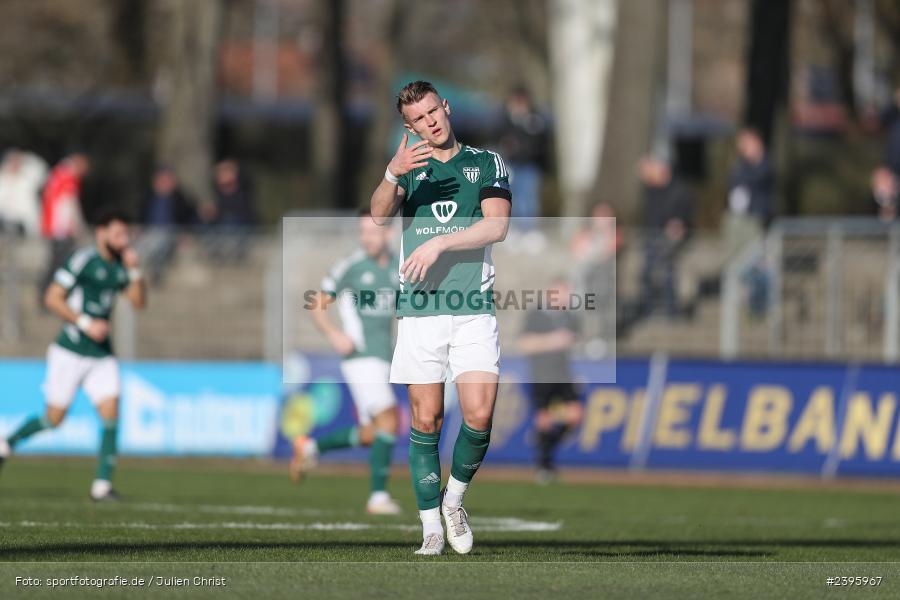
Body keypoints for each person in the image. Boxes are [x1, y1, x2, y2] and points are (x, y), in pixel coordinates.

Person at [370, 80, 511, 555]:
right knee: (425, 420)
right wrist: (391, 175)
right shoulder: (410, 167)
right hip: (421, 310)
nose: (430, 121)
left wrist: (440, 241)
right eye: (419, 119)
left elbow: (498, 225)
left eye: (434, 111)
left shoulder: (486, 163)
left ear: (446, 107)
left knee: (480, 414)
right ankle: (431, 525)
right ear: (408, 127)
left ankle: (454, 500)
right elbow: (377, 216)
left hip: (473, 308)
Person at [0, 208, 147, 501]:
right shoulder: (83, 261)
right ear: (101, 232)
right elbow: (52, 297)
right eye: (117, 234)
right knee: (54, 418)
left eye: (125, 235)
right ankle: (7, 442)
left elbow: (138, 302)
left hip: (101, 355)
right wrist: (84, 323)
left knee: (111, 412)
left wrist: (135, 271)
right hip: (70, 350)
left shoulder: (122, 266)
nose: (122, 240)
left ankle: (102, 486)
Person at [291, 208, 402, 515]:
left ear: (389, 233)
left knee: (371, 433)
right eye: (363, 231)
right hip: (360, 357)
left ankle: (310, 448)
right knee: (390, 419)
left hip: (383, 356)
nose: (367, 238)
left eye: (373, 231)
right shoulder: (351, 266)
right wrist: (333, 334)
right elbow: (317, 304)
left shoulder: (399, 266)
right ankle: (377, 498)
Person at [518, 277, 583, 483]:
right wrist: (552, 340)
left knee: (575, 415)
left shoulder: (569, 317)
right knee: (544, 419)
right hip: (542, 376)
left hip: (563, 375)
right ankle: (544, 465)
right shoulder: (536, 315)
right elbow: (525, 344)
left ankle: (541, 441)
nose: (565, 298)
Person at [638, 155, 692, 319]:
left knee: (668, 275)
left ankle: (671, 312)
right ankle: (649, 310)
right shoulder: (650, 191)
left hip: (670, 239)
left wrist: (678, 224)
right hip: (651, 237)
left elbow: (683, 214)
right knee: (647, 275)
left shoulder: (678, 190)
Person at [38, 152, 90, 304]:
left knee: (55, 264)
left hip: (53, 228)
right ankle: (50, 298)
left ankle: (48, 297)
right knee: (58, 265)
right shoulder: (68, 177)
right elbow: (68, 205)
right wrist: (78, 227)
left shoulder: (58, 173)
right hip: (60, 229)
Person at [498, 85, 548, 234]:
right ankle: (513, 231)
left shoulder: (535, 119)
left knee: (529, 199)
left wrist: (524, 121)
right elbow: (498, 137)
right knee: (512, 199)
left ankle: (530, 231)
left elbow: (540, 141)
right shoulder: (505, 118)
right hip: (511, 165)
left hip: (530, 165)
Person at [138, 165, 196, 284]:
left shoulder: (181, 199)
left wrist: (186, 233)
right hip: (149, 234)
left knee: (159, 242)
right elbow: (140, 218)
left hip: (171, 235)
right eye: (161, 180)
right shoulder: (148, 198)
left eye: (167, 180)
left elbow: (188, 219)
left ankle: (156, 275)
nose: (164, 183)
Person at [0, 149, 47, 237]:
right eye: (11, 161)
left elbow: (42, 168)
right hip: (6, 223)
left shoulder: (28, 176)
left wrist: (25, 157)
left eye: (16, 160)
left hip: (27, 223)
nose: (14, 164)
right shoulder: (2, 178)